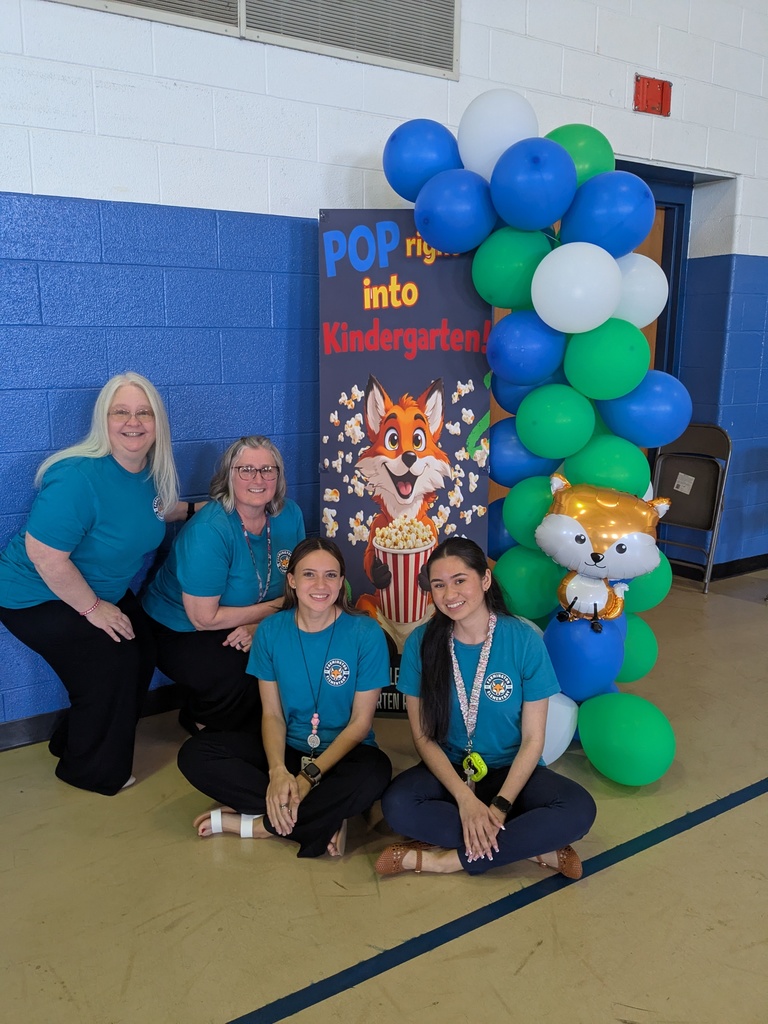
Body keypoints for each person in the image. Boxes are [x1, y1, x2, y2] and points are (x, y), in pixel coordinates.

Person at [0, 372, 191, 796]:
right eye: (120, 411)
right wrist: (92, 609)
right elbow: (45, 555)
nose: (133, 421)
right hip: (34, 593)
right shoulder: (76, 476)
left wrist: (201, 509)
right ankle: (87, 770)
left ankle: (70, 738)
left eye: (144, 412)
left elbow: (158, 511)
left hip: (98, 587)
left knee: (143, 649)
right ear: (102, 421)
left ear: (158, 422)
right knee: (112, 661)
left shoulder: (148, 473)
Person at [376, 537, 596, 878]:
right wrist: (465, 800)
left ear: (485, 580)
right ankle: (530, 845)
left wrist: (501, 804)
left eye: (460, 580)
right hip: (450, 770)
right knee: (397, 805)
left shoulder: (522, 640)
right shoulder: (422, 642)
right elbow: (423, 738)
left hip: (512, 771)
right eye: (439, 585)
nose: (450, 595)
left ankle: (444, 860)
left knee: (580, 809)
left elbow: (533, 740)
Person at [177, 538, 393, 858]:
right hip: (289, 749)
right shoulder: (271, 631)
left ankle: (260, 825)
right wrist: (278, 770)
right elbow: (272, 715)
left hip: (345, 753)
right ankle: (323, 815)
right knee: (195, 754)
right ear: (291, 580)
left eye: (331, 575)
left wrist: (308, 778)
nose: (320, 585)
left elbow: (360, 724)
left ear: (341, 581)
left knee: (375, 773)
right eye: (309, 574)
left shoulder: (366, 633)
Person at [142, 436, 305, 733]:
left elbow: (302, 583)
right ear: (228, 476)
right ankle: (204, 723)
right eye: (246, 470)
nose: (258, 478)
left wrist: (262, 627)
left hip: (251, 618)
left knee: (297, 649)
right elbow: (204, 618)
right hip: (180, 627)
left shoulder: (289, 514)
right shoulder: (210, 529)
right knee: (240, 669)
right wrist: (275, 610)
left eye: (268, 470)